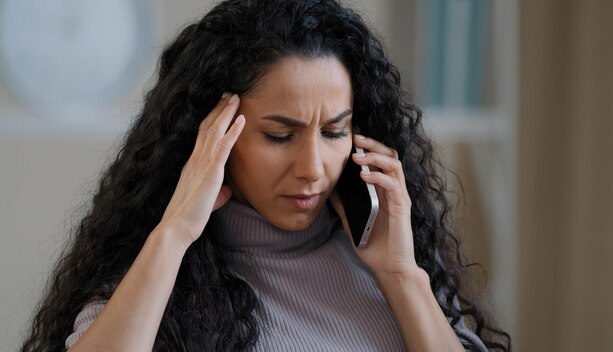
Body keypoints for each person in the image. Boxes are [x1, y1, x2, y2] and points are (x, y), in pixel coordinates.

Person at [20, 0, 511, 351]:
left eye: (334, 132)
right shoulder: (163, 279)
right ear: (213, 138)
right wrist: (173, 235)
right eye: (280, 136)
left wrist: (402, 275)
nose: (313, 169)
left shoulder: (391, 259)